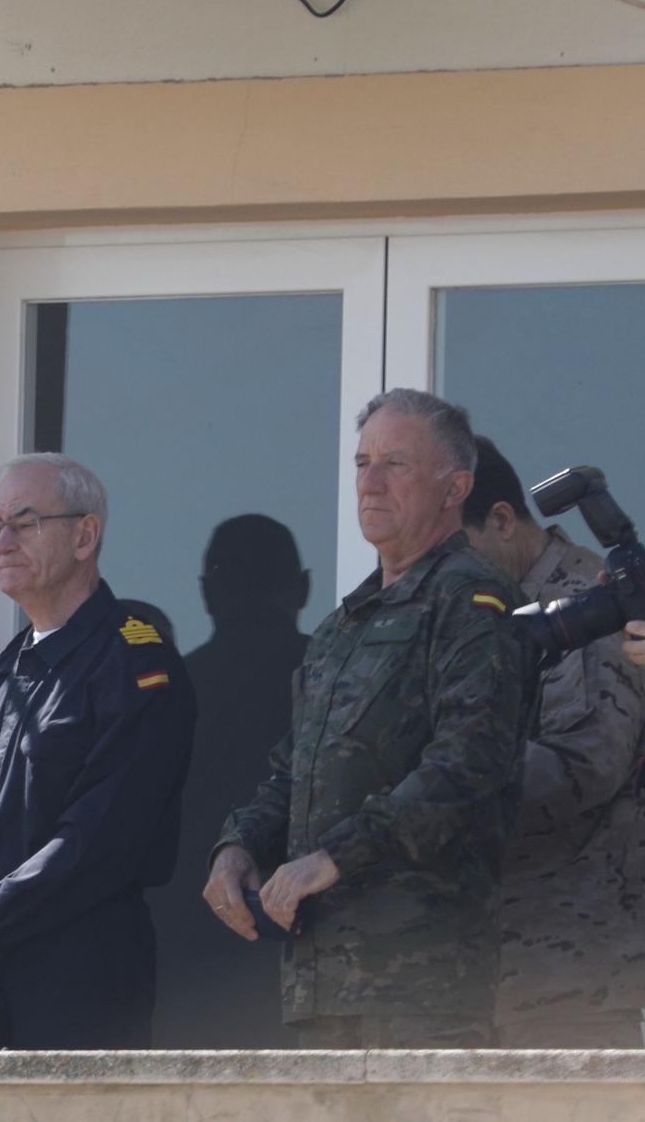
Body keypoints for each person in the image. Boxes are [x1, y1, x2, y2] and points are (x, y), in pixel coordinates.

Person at [206, 389, 537, 1049]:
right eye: (361, 463)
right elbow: (292, 769)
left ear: (455, 487)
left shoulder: (474, 600)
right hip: (320, 980)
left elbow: (467, 765)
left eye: (395, 463)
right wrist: (237, 845)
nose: (371, 481)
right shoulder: (341, 627)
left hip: (423, 981)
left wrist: (332, 857)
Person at [0, 452, 196, 1050]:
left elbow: (102, 836)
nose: (3, 541)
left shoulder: (134, 661)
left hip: (78, 977)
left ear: (85, 535)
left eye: (26, 522)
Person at [461, 437, 645, 1047]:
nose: (447, 578)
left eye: (459, 552)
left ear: (503, 521)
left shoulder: (590, 601)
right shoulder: (483, 611)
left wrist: (436, 793)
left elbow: (583, 767)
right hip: (493, 970)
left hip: (572, 970)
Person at [158, 515, 310, 1049]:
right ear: (305, 587)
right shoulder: (337, 675)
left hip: (186, 954)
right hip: (307, 946)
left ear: (206, 594)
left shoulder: (173, 692)